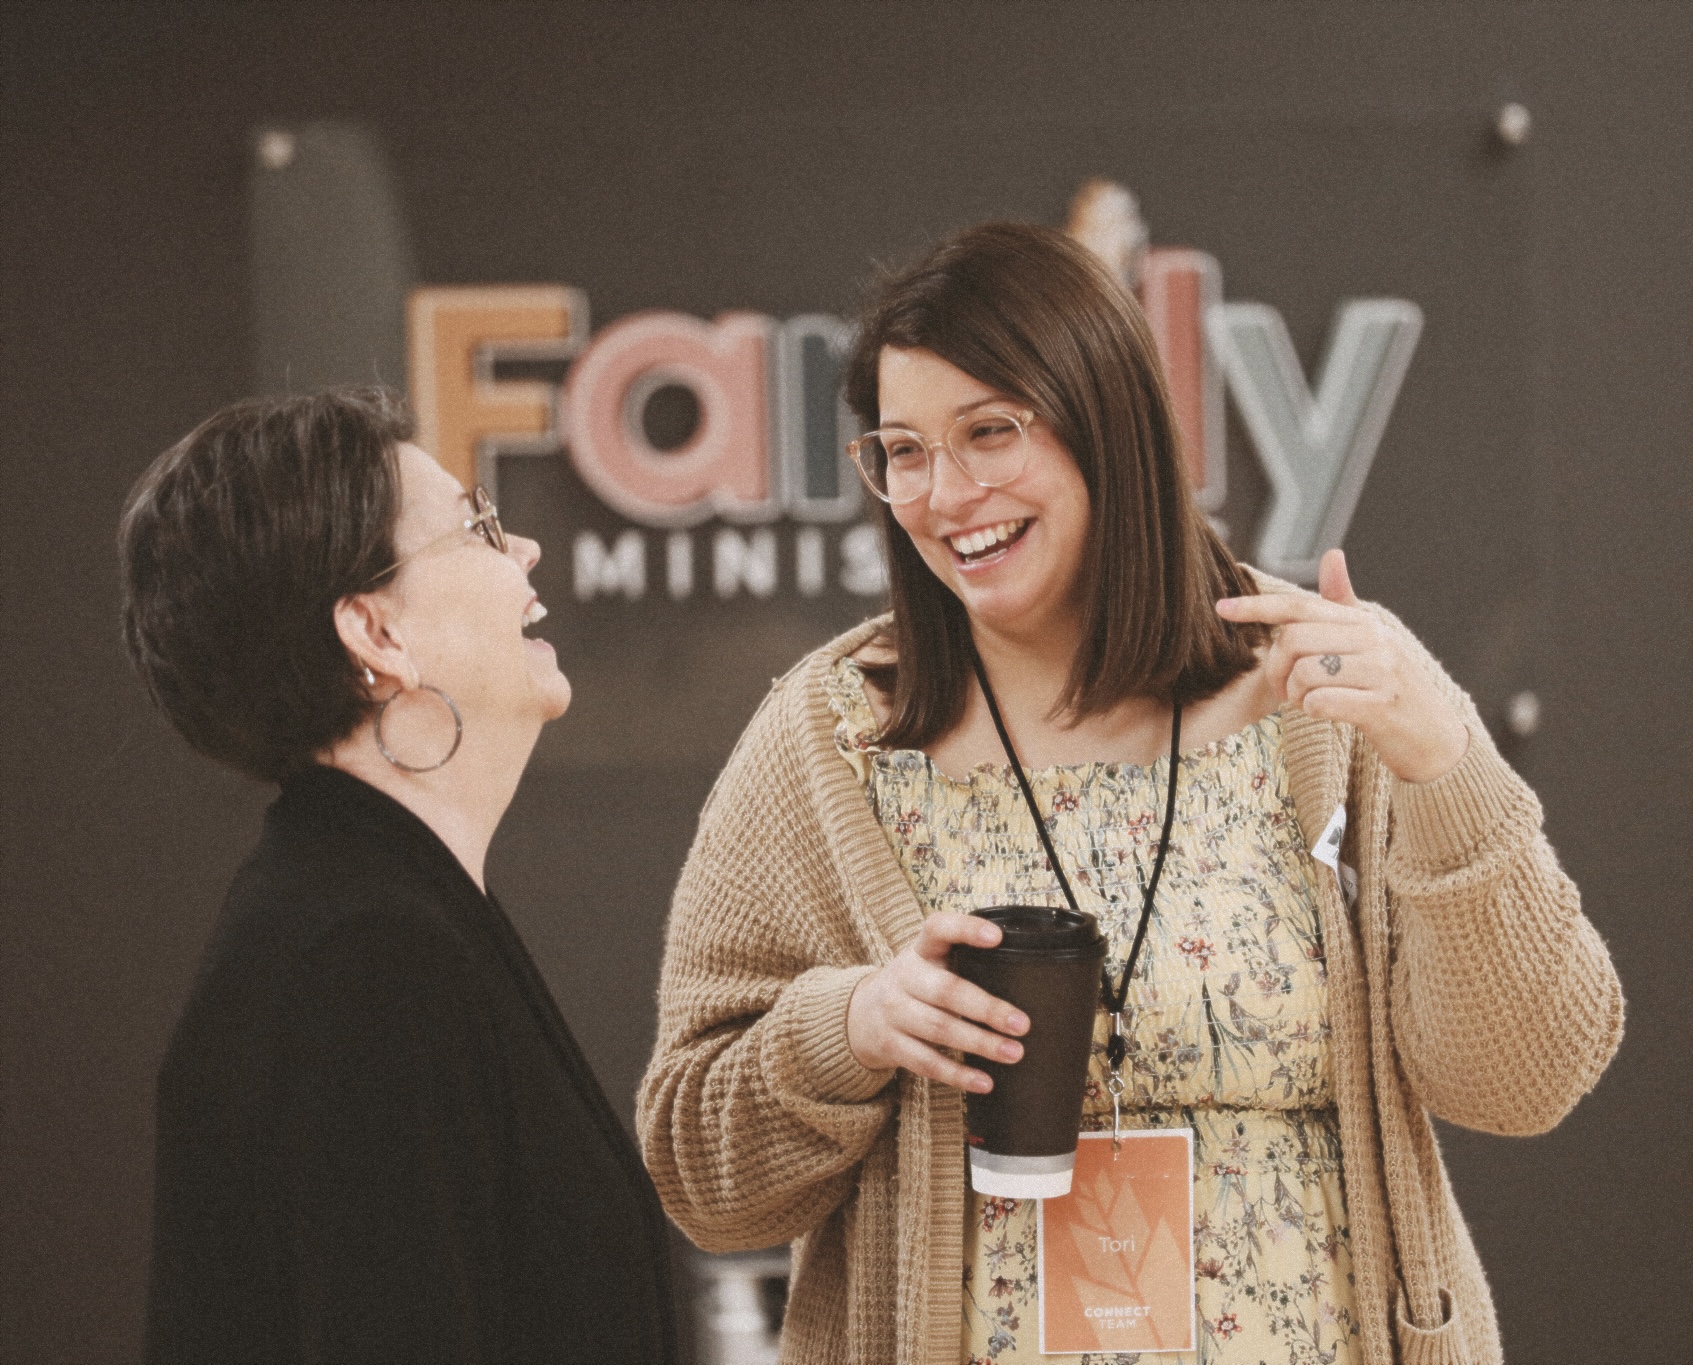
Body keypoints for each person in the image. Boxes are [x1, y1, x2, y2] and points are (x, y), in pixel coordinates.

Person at [638, 224, 1623, 1365]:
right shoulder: (832, 735)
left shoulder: (1318, 689)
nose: (945, 495)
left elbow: (1527, 1076)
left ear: (1105, 426)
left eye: (990, 432)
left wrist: (1445, 763)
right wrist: (851, 1028)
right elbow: (702, 1182)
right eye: (902, 450)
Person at [121, 388, 678, 1364]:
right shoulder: (364, 961)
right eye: (477, 527)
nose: (525, 553)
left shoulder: (370, 915)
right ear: (377, 635)